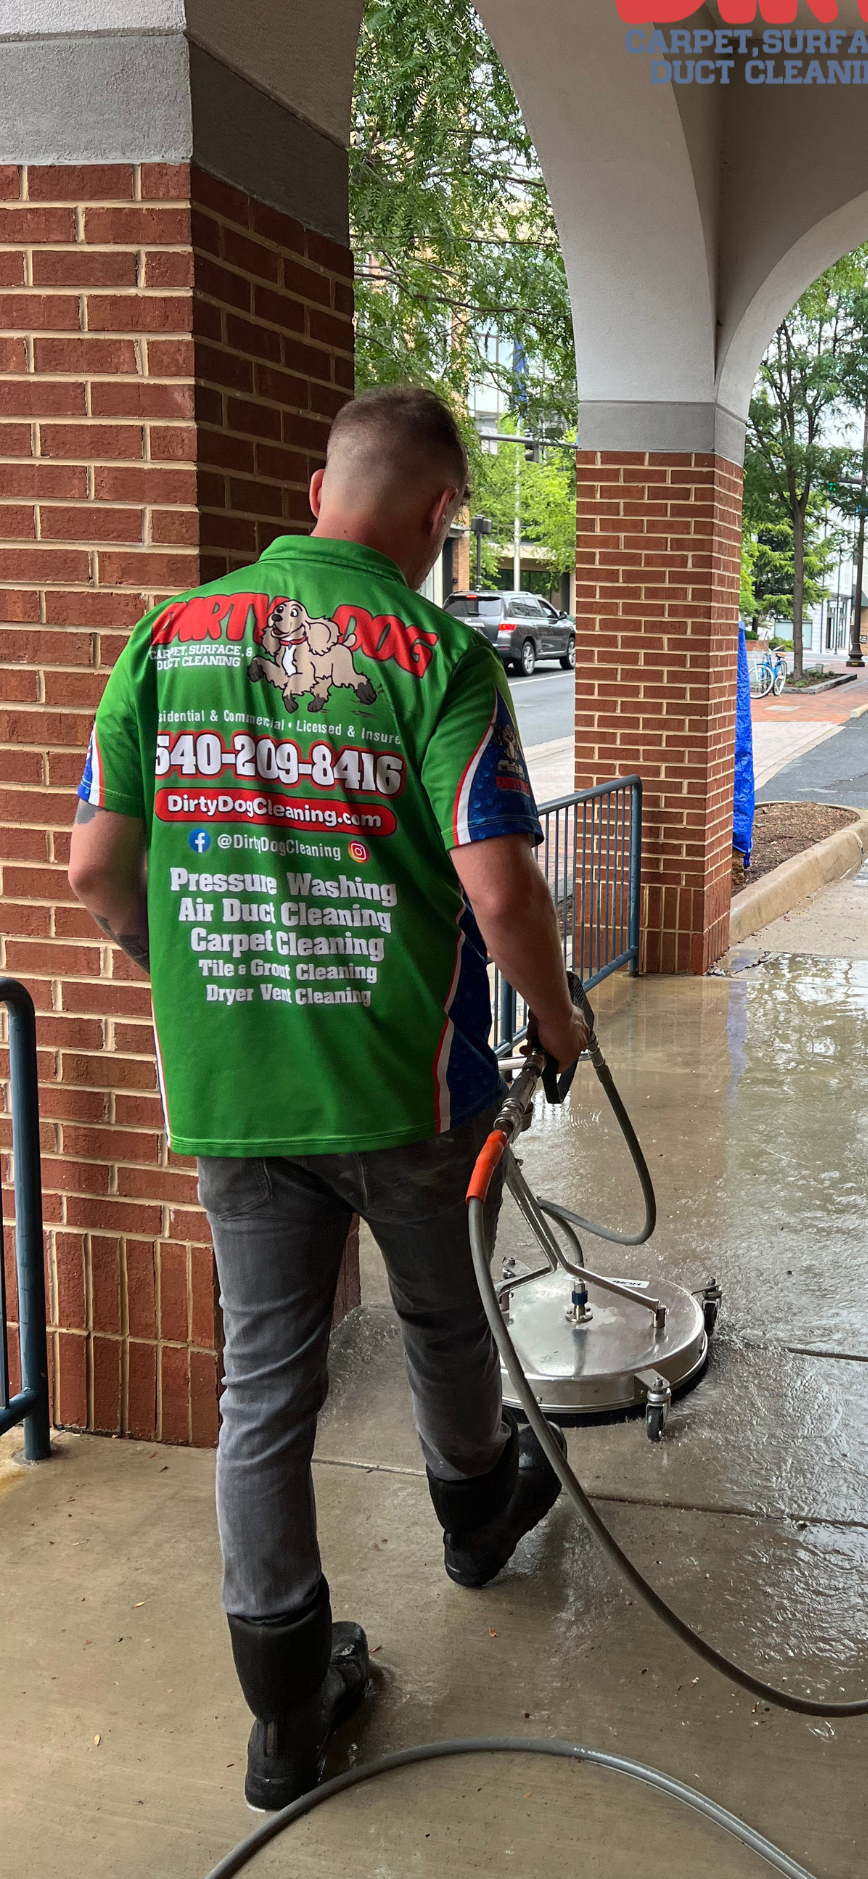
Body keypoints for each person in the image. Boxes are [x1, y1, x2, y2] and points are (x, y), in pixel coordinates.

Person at [68, 385, 588, 1812]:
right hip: (407, 1086)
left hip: (235, 1083)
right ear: (438, 516)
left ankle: (286, 1716)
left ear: (315, 493)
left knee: (264, 1387)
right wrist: (557, 1021)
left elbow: (96, 870)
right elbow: (500, 889)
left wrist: (200, 978)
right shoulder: (441, 657)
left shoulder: (166, 637)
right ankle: (475, 1516)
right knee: (444, 1319)